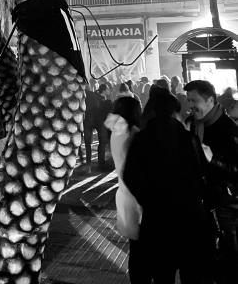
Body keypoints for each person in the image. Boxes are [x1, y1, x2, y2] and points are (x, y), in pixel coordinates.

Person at [124, 90, 215, 283]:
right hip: (188, 218)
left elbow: (130, 176)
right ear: (176, 112)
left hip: (156, 219)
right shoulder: (188, 138)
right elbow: (203, 175)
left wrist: (147, 199)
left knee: (162, 273)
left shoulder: (142, 139)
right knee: (191, 273)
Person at [185, 79, 238, 283]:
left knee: (228, 262)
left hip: (226, 208)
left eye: (194, 100)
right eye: (188, 100)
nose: (190, 105)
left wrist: (213, 161)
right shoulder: (192, 125)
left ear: (210, 101)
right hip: (202, 204)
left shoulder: (229, 129)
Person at [104, 97, 142, 282]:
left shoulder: (115, 129)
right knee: (142, 250)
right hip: (136, 195)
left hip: (123, 192)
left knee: (135, 250)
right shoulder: (133, 132)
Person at [83, 83, 112, 170]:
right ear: (104, 90)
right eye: (108, 89)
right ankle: (97, 164)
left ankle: (91, 164)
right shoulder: (93, 96)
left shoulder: (97, 97)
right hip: (93, 122)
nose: (109, 91)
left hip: (92, 122)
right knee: (97, 143)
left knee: (92, 143)